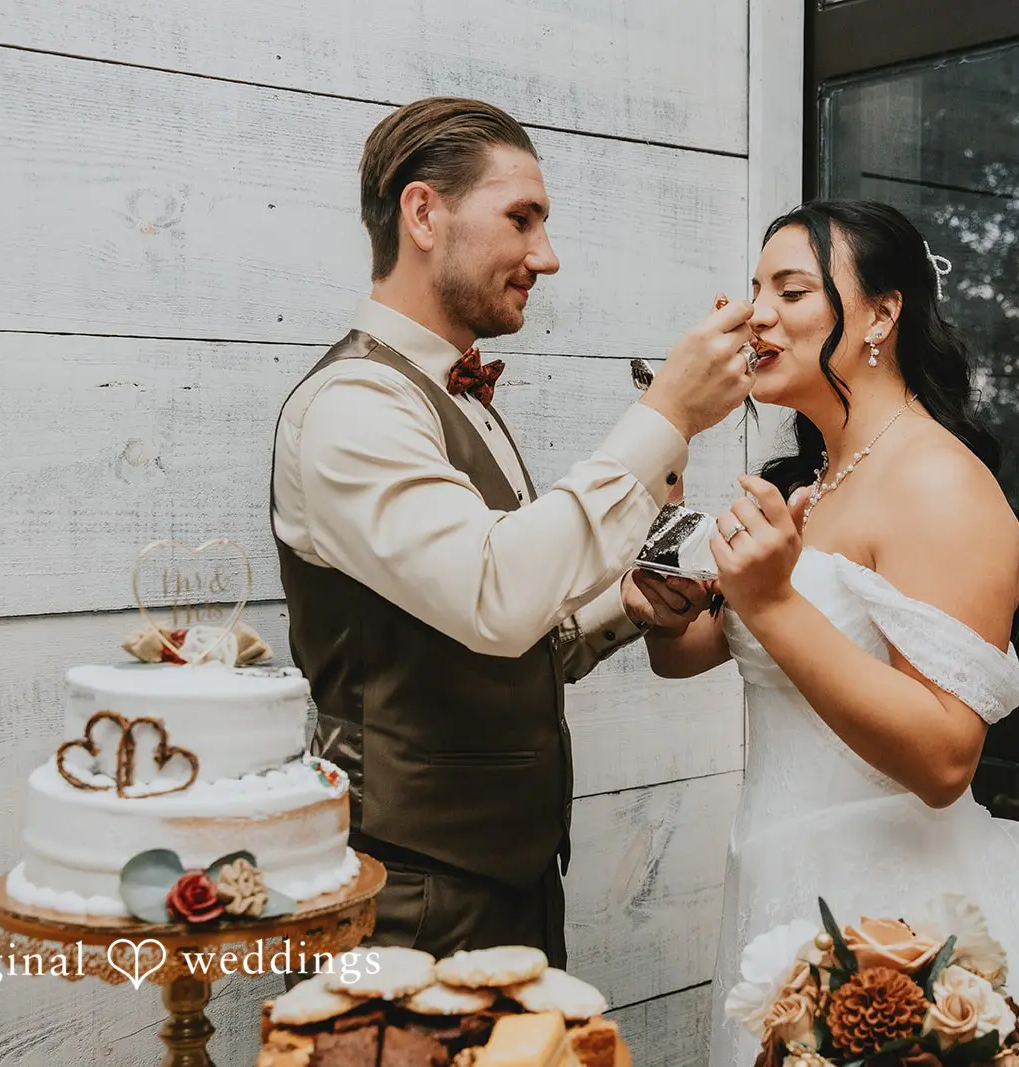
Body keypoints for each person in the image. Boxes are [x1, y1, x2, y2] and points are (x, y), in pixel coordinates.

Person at [639, 200, 1019, 1065]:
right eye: (755, 287)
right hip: (777, 884)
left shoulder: (938, 482)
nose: (757, 312)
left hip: (901, 928)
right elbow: (690, 654)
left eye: (791, 289)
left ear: (882, 313)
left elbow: (945, 759)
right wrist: (665, 601)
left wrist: (775, 602)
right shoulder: (811, 480)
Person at [269, 97, 754, 966]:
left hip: (513, 878)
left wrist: (629, 604)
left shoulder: (456, 398)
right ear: (425, 213)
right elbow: (495, 595)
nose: (547, 255)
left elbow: (505, 629)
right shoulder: (351, 407)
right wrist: (666, 412)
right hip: (405, 893)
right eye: (522, 219)